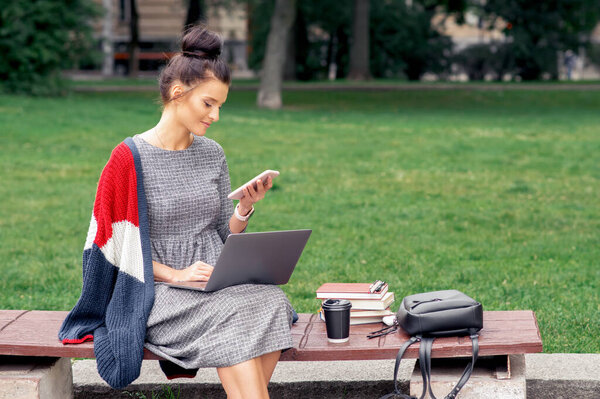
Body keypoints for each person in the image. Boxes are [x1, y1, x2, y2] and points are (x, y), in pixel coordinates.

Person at [58, 25, 294, 399]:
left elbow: (222, 233)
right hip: (159, 290)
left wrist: (245, 208)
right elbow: (113, 252)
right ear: (176, 93)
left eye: (220, 106)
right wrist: (177, 274)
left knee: (273, 301)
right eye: (208, 104)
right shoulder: (128, 159)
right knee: (235, 318)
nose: (215, 116)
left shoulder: (212, 153)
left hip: (216, 282)